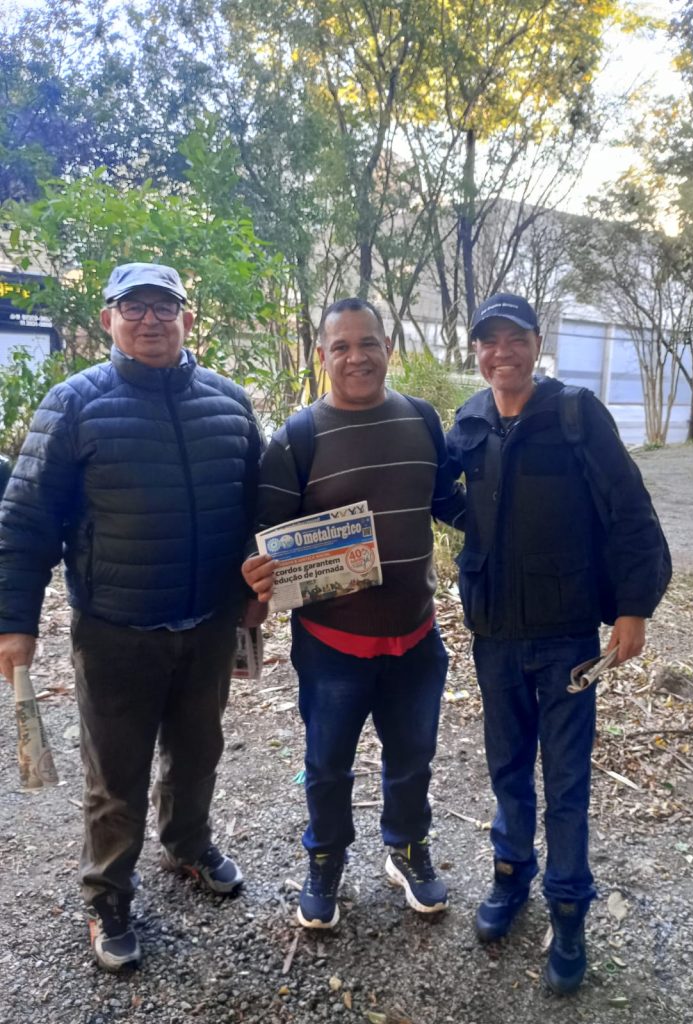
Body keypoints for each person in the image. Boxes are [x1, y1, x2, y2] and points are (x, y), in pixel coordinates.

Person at [0, 263, 264, 972]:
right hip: (115, 630)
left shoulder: (230, 404)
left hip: (209, 625)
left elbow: (257, 508)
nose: (151, 320)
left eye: (164, 307)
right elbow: (24, 522)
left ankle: (187, 846)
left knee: (198, 753)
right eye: (134, 307)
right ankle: (109, 893)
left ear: (187, 319)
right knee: (115, 777)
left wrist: (258, 584)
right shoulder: (74, 404)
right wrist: (15, 621)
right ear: (109, 319)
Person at [446, 292, 668, 994]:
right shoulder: (469, 422)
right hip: (493, 635)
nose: (501, 352)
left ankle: (569, 910)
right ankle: (511, 876)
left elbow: (630, 510)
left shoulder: (575, 414)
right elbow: (445, 497)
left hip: (567, 637)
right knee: (507, 769)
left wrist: (632, 609)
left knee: (566, 782)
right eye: (489, 341)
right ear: (476, 351)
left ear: (537, 345)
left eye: (515, 339)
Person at [242, 297, 464, 929]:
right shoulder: (298, 437)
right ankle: (326, 859)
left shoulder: (422, 419)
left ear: (389, 348)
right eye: (341, 346)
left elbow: (447, 501)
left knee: (413, 758)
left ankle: (407, 848)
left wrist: (513, 523)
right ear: (322, 356)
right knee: (326, 765)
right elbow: (263, 533)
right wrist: (254, 573)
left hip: (417, 636)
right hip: (332, 645)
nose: (356, 357)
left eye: (368, 343)